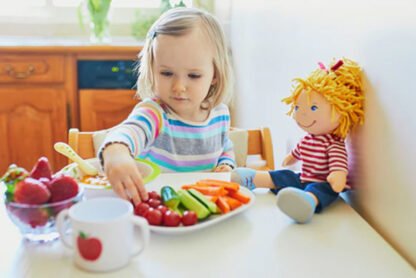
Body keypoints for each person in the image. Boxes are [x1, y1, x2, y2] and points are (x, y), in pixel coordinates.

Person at [98, 8, 236, 205]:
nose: (178, 87)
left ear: (215, 75)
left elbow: (225, 146)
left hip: (205, 211)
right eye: (166, 73)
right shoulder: (154, 113)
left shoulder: (220, 114)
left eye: (194, 76)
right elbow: (130, 131)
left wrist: (226, 164)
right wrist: (116, 151)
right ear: (153, 69)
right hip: (158, 209)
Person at [232, 58, 364, 223]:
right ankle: (253, 179)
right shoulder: (307, 139)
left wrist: (338, 175)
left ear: (340, 110)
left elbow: (338, 165)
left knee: (320, 190)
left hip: (322, 181)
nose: (301, 114)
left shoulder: (333, 144)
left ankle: (307, 202)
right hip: (303, 177)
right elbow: (299, 151)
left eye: (313, 108)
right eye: (297, 108)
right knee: (285, 175)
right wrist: (291, 157)